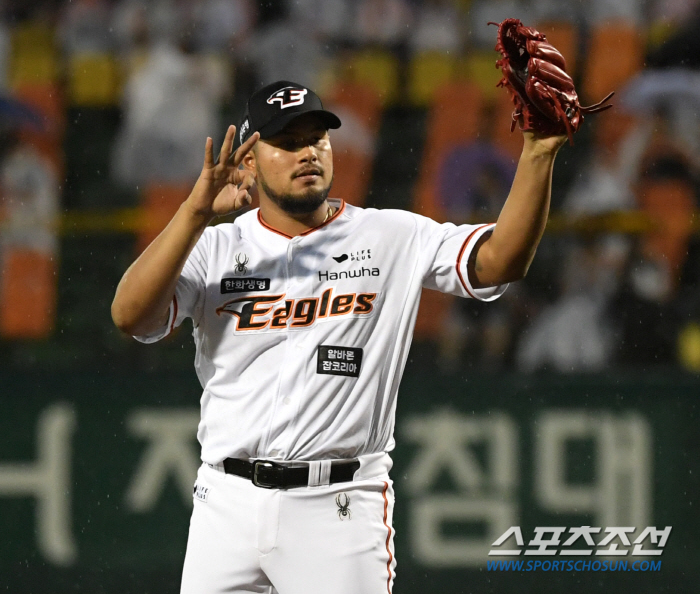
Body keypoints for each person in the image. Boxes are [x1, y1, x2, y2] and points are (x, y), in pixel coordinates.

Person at [111, 80, 566, 594]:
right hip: (225, 502)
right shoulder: (216, 246)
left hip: (338, 505)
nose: (308, 152)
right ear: (252, 161)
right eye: (287, 142)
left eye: (317, 138)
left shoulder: (391, 236)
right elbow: (129, 316)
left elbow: (501, 260)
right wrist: (194, 213)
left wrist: (538, 153)